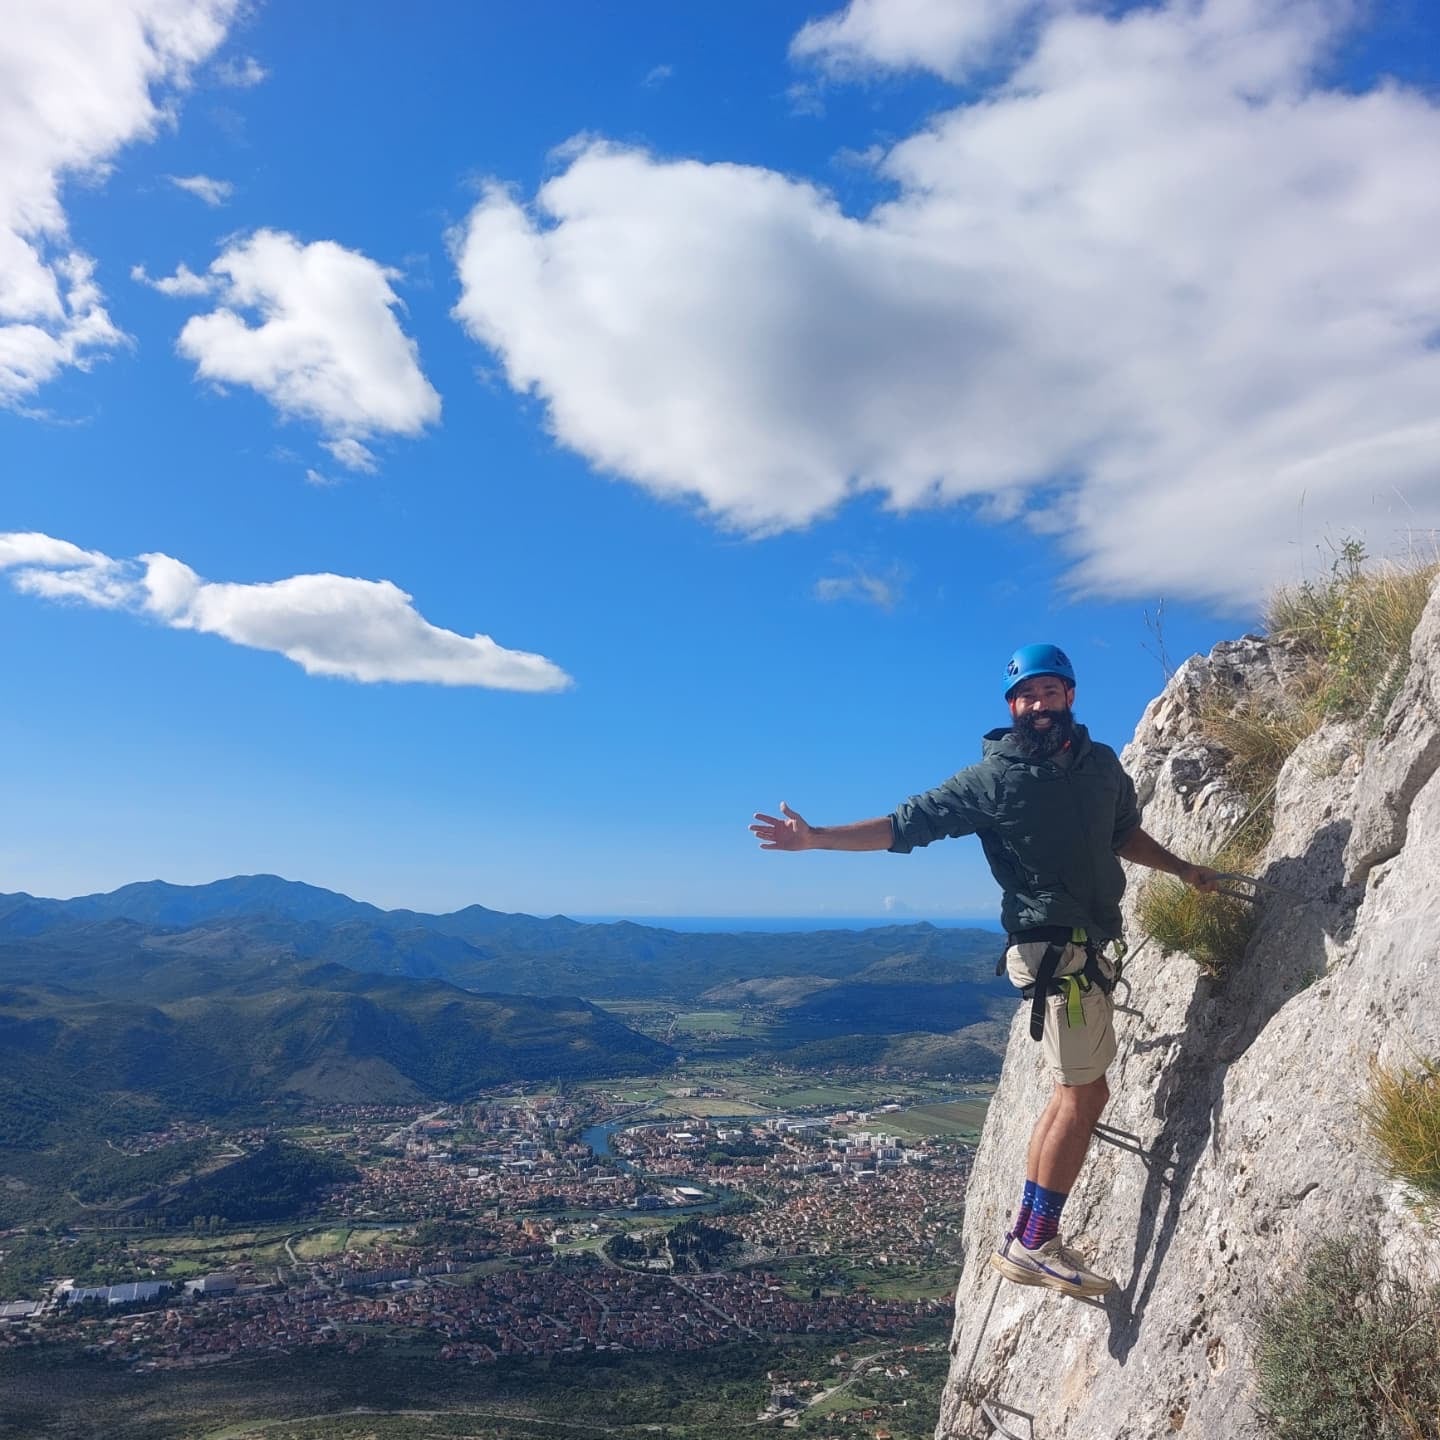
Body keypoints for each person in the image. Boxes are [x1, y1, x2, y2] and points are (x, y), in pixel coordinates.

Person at [750, 642, 1216, 1299]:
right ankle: (1036, 1245)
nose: (1038, 704)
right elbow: (905, 825)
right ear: (1012, 707)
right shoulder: (992, 778)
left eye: (1049, 691)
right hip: (1054, 953)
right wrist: (817, 837)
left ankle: (1028, 1228)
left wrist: (1182, 870)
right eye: (1026, 696)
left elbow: (1122, 835)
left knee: (1069, 1092)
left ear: (1071, 696)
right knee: (1087, 1095)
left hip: (1085, 946)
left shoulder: (1102, 767)